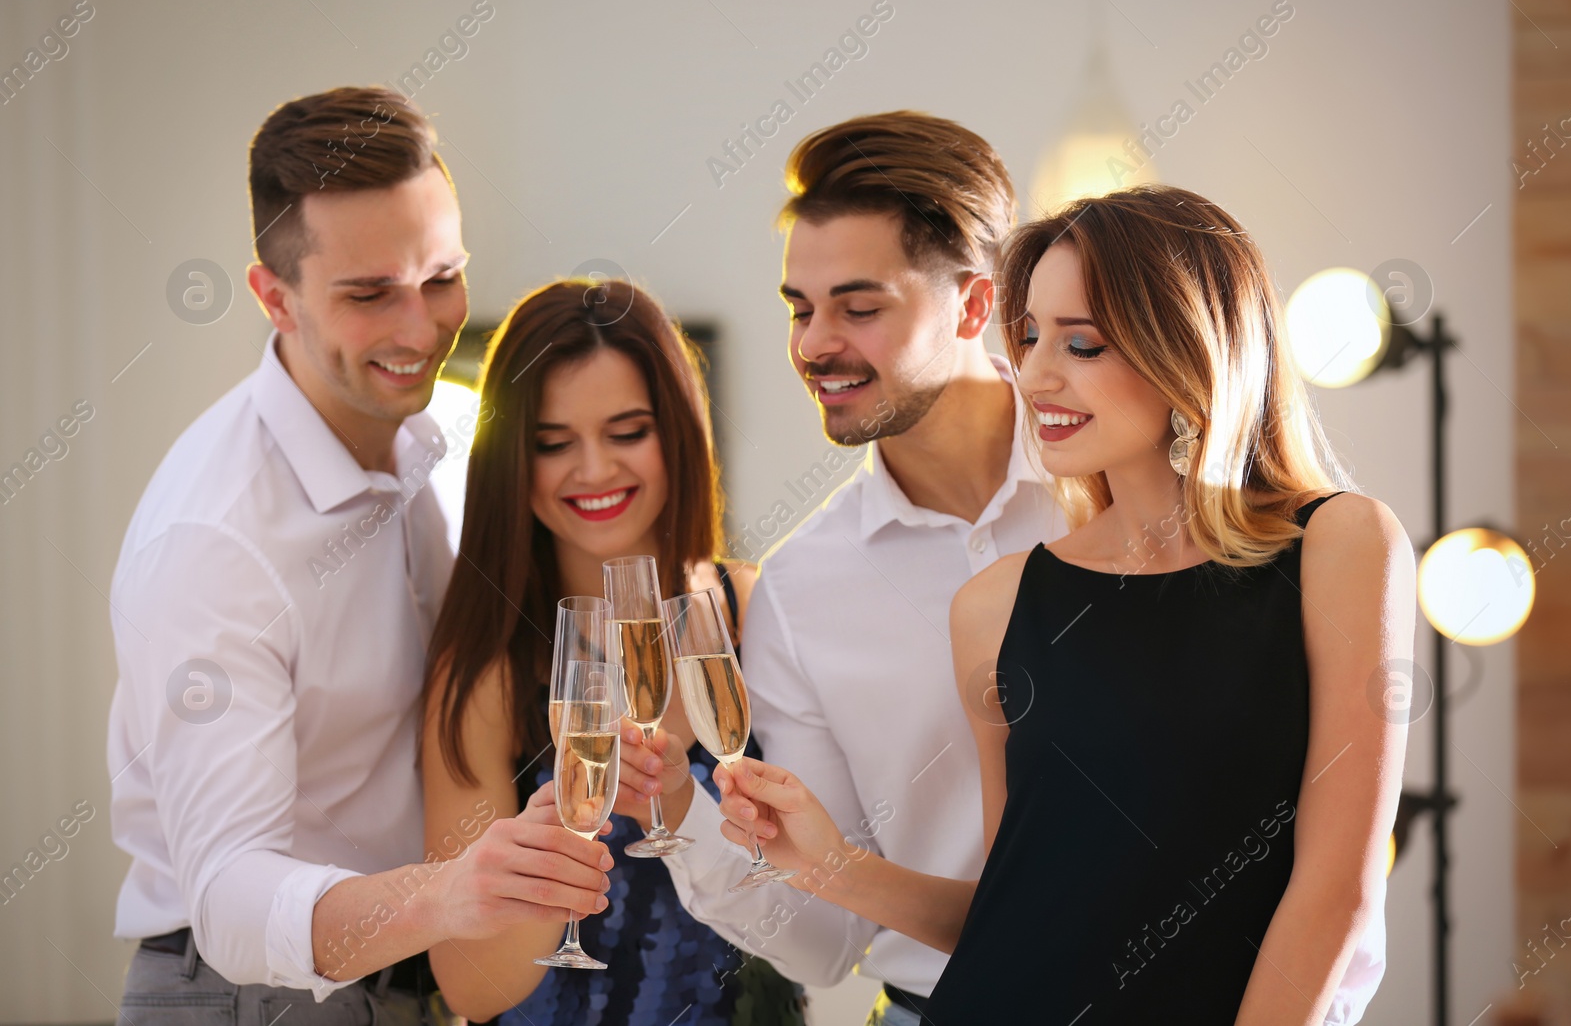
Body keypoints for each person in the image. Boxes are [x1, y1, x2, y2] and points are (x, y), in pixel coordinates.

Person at [713, 186, 1405, 1024]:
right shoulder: (996, 607)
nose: (1036, 372)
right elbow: (1019, 914)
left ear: (1190, 348)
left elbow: (1337, 892)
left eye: (1081, 343)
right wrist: (829, 865)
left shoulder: (1340, 545)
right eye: (1030, 335)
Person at [106, 87, 611, 1023]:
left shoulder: (462, 435)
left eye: (442, 277)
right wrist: (453, 892)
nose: (421, 329)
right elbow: (227, 898)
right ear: (274, 296)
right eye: (369, 294)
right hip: (248, 999)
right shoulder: (213, 541)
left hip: (429, 986)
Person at [617, 110, 1062, 1026]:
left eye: (859, 308)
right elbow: (825, 942)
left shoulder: (1115, 492)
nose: (815, 344)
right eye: (800, 307)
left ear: (975, 305)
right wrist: (681, 811)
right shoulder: (803, 589)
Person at [421, 279, 805, 1025]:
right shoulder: (488, 666)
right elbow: (469, 986)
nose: (592, 469)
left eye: (627, 431)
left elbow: (817, 900)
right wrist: (569, 822)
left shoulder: (751, 610)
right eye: (552, 443)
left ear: (679, 434)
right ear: (510, 460)